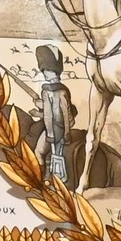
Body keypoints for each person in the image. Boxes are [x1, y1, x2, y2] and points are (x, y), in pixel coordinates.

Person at [31, 45, 78, 187]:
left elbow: (55, 114)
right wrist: (39, 111)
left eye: (47, 70)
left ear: (54, 71)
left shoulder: (47, 91)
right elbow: (57, 112)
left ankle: (45, 179)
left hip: (54, 130)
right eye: (44, 70)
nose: (44, 73)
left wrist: (63, 133)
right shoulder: (61, 91)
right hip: (57, 129)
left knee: (40, 152)